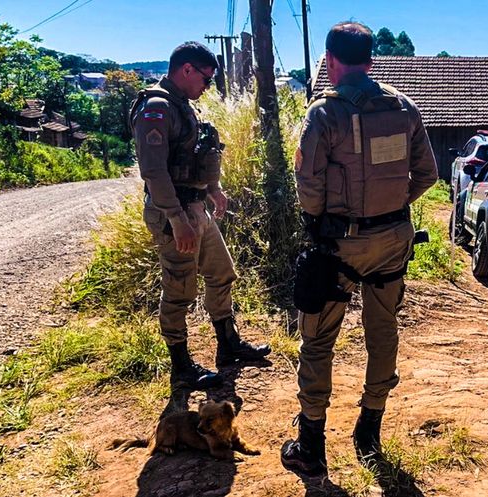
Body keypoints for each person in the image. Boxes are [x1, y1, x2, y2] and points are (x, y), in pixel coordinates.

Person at [281, 22, 438, 476]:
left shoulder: (324, 114)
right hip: (393, 240)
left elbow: (308, 183)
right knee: (383, 330)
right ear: (370, 60)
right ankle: (369, 429)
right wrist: (392, 207)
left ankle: (311, 444)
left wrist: (323, 220)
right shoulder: (404, 107)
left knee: (318, 339)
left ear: (330, 60)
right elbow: (427, 175)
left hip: (341, 244)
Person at [132, 42, 270, 391]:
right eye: (206, 79)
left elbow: (191, 157)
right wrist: (177, 220)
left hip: (196, 208)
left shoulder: (181, 105)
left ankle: (228, 345)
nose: (207, 86)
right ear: (186, 70)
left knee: (222, 273)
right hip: (174, 213)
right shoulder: (157, 107)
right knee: (179, 289)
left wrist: (212, 189)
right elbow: (154, 172)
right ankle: (181, 367)